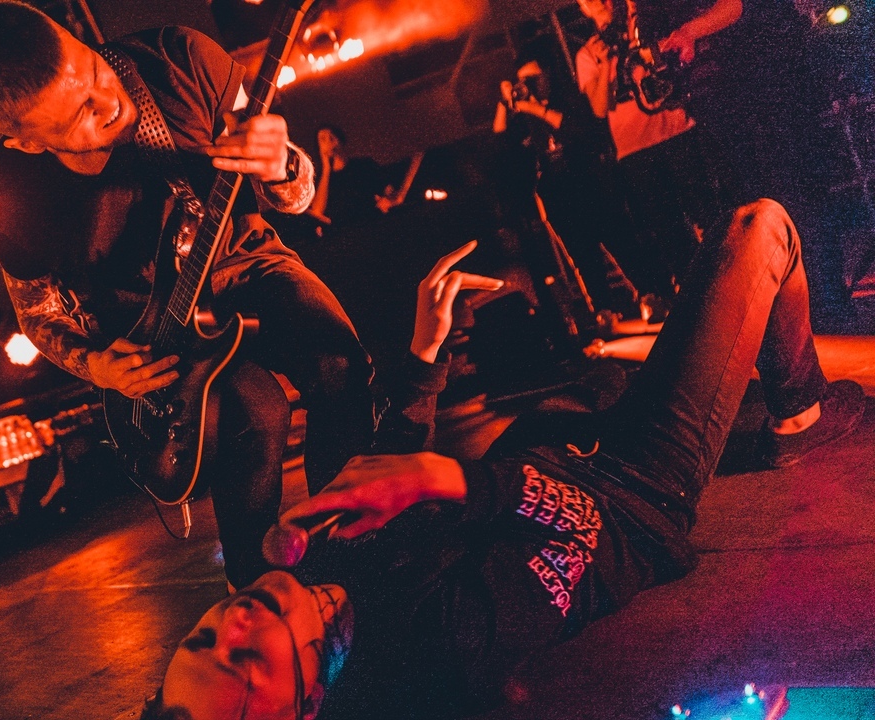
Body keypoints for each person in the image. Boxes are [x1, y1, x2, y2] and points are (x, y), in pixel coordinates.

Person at [144, 198, 868, 719]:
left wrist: (425, 352)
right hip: (635, 489)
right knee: (758, 229)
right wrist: (450, 478)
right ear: (305, 707)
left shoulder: (305, 576)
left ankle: (759, 408)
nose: (234, 623)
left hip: (559, 439)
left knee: (611, 371)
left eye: (204, 637)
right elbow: (583, 532)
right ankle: (799, 412)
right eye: (247, 662)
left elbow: (382, 473)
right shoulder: (438, 651)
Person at [0, 2, 374, 587]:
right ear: (26, 142)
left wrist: (282, 167)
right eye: (79, 115)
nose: (107, 102)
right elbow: (35, 310)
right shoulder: (8, 195)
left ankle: (358, 557)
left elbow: (295, 197)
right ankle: (257, 593)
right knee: (254, 416)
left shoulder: (182, 59)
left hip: (244, 261)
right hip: (155, 333)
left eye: (94, 70)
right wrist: (96, 365)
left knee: (339, 362)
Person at [574, 0, 743, 296]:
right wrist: (605, 64)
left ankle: (737, 282)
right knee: (669, 229)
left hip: (677, 129)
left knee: (710, 214)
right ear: (582, 7)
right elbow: (599, 107)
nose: (598, 1)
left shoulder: (643, 22)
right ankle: (700, 299)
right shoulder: (587, 53)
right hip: (635, 149)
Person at [492, 39, 639, 317]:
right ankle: (604, 310)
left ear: (548, 73)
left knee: (620, 240)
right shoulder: (526, 114)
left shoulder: (568, 99)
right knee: (582, 256)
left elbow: (575, 129)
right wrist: (504, 103)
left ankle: (652, 293)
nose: (530, 85)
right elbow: (500, 143)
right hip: (557, 193)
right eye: (525, 80)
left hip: (589, 181)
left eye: (534, 78)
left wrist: (535, 108)